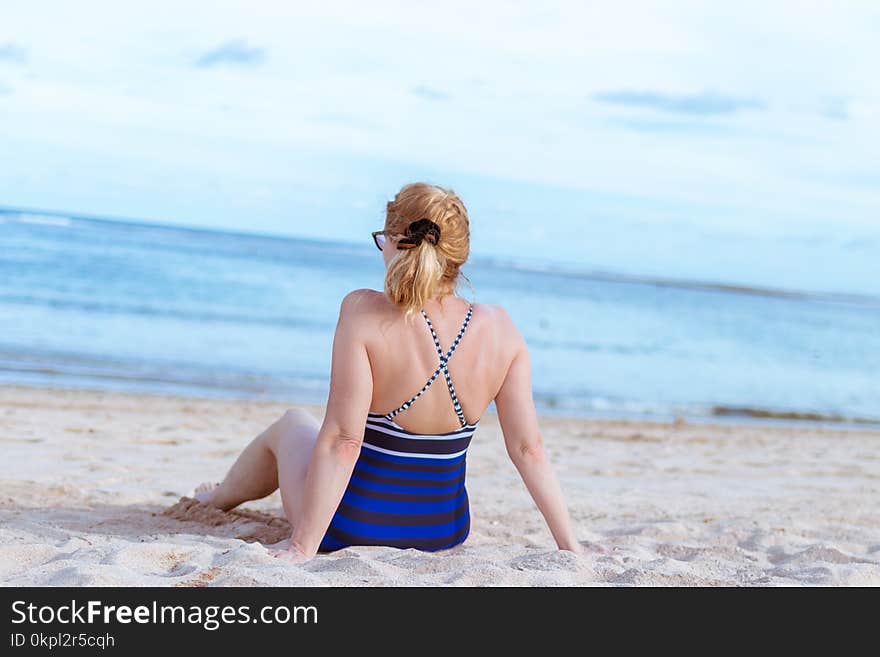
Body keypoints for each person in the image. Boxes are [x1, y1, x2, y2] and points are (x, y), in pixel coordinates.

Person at [193, 182, 582, 562]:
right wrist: (571, 547)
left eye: (383, 239)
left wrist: (303, 547)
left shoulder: (362, 310)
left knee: (293, 423)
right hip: (443, 532)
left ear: (396, 241)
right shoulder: (501, 328)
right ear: (459, 255)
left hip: (348, 527)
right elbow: (528, 450)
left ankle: (219, 498)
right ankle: (219, 495)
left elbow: (344, 441)